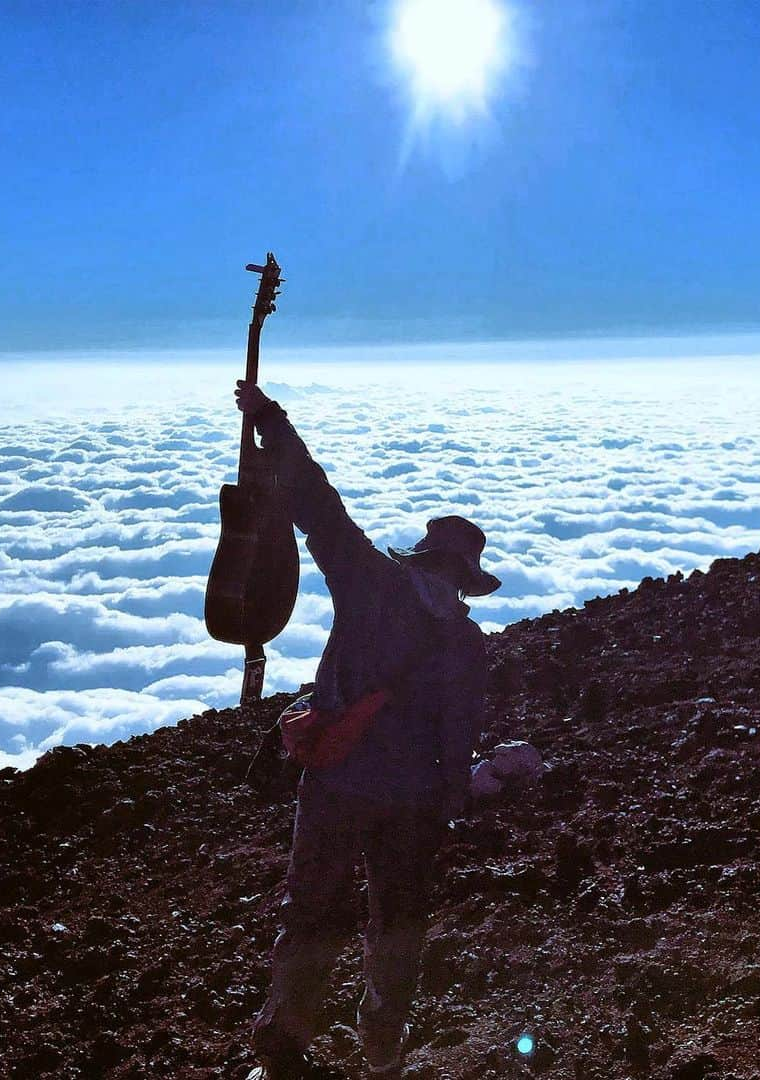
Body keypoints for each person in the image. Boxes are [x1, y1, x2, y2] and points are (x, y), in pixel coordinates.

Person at [235, 380, 499, 1080]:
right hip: (412, 804)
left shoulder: (368, 584)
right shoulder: (467, 646)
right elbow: (458, 740)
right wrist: (451, 801)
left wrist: (269, 421)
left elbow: (319, 507)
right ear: (466, 580)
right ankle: (381, 1044)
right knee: (400, 926)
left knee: (313, 912)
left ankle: (281, 1051)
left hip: (336, 786)